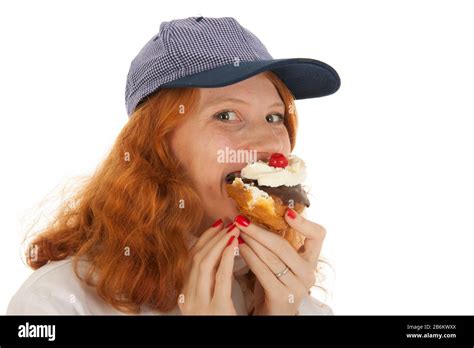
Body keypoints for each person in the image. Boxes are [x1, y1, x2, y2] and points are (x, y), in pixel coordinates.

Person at [7, 16, 340, 315]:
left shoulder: (296, 302)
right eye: (226, 115)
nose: (269, 144)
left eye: (274, 116)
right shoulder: (56, 301)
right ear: (156, 145)